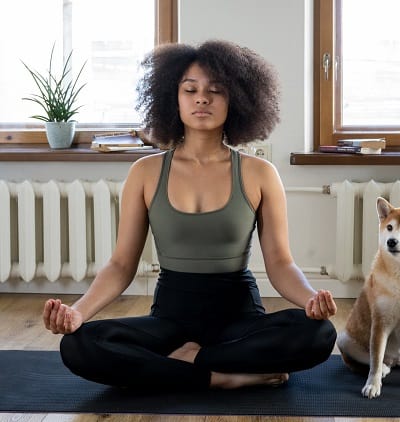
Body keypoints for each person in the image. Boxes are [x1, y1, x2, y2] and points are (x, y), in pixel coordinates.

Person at [43, 40, 337, 390]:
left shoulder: (260, 173)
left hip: (239, 319)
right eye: (190, 90)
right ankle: (220, 376)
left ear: (237, 100)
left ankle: (187, 364)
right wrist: (78, 312)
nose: (202, 98)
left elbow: (280, 263)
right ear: (173, 98)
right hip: (170, 320)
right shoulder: (145, 172)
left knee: (319, 333)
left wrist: (310, 301)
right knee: (78, 345)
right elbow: (122, 264)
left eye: (216, 91)